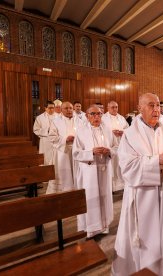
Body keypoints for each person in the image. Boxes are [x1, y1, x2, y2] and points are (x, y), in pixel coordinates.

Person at [112, 93, 163, 276]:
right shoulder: (130, 134)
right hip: (143, 195)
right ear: (140, 108)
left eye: (158, 105)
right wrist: (157, 161)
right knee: (145, 239)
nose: (157, 109)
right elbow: (127, 168)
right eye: (151, 105)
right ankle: (143, 270)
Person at [73, 105, 117, 238]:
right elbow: (75, 153)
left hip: (104, 169)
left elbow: (116, 146)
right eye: (93, 114)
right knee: (91, 198)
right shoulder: (81, 131)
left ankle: (104, 226)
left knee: (104, 196)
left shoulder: (107, 130)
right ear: (87, 116)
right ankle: (91, 229)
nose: (96, 117)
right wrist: (91, 152)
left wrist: (109, 151)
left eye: (99, 114)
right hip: (89, 171)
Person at [47, 101, 76, 194]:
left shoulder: (80, 121)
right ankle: (62, 192)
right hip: (62, 152)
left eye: (71, 108)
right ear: (61, 110)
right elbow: (52, 137)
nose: (69, 110)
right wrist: (65, 140)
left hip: (76, 151)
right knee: (63, 174)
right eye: (66, 108)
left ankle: (76, 191)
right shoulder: (56, 121)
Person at [101, 101, 129, 191]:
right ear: (108, 108)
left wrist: (122, 132)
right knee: (112, 165)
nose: (115, 109)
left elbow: (128, 129)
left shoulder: (121, 118)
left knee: (120, 165)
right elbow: (100, 130)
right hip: (109, 145)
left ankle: (120, 185)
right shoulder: (103, 118)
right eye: (112, 107)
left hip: (121, 145)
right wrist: (111, 133)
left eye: (116, 107)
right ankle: (111, 186)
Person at [33, 100, 55, 165]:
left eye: (53, 108)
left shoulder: (58, 117)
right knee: (45, 159)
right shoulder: (40, 118)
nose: (51, 110)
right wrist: (46, 131)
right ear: (45, 108)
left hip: (56, 142)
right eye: (50, 108)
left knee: (55, 159)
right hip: (45, 141)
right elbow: (36, 130)